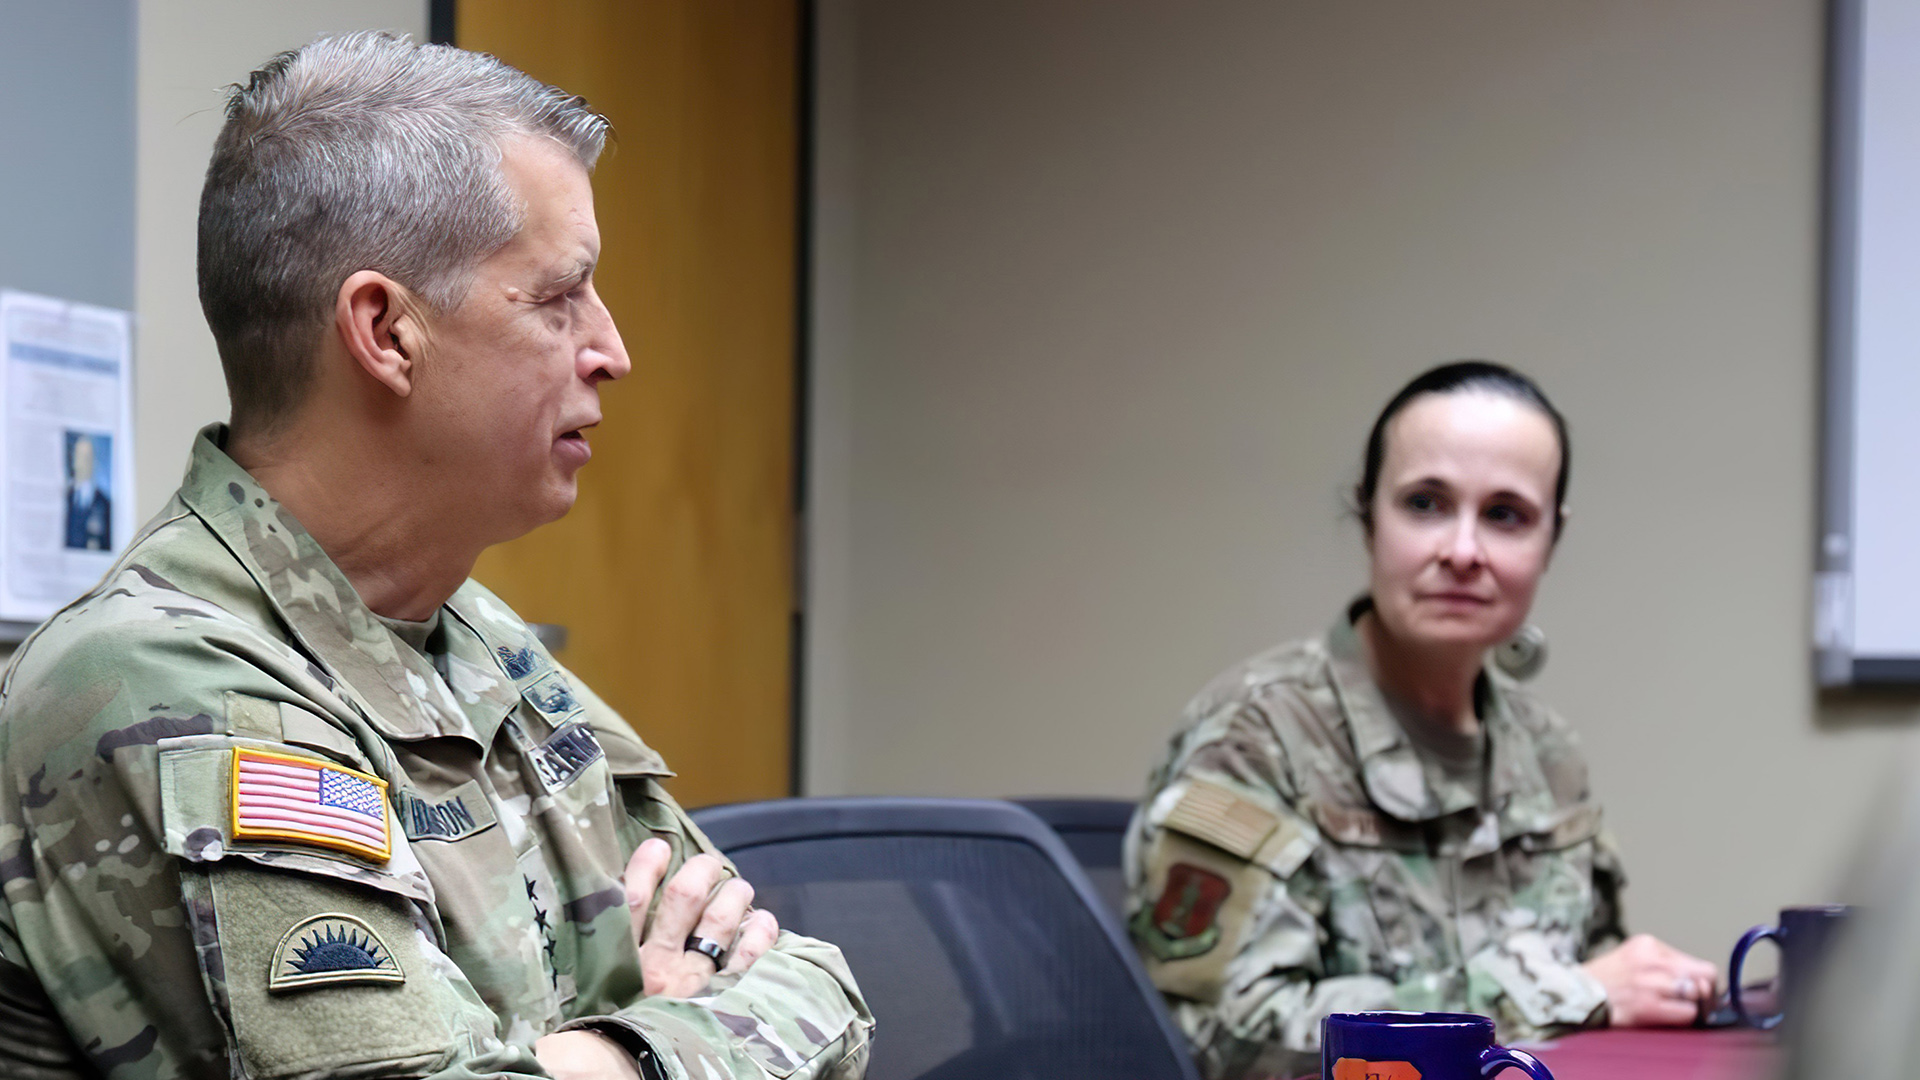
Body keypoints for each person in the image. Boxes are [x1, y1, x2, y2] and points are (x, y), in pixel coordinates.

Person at [0, 33, 870, 1080]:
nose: (613, 350)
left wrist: (592, 1054)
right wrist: (658, 1035)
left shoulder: (472, 637)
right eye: (558, 298)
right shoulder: (158, 680)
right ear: (385, 330)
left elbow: (810, 981)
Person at [1123, 361, 1717, 1080]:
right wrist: (1554, 993)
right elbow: (1227, 1037)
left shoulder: (1548, 749)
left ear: (1550, 542)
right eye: (1426, 503)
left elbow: (1595, 986)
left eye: (1505, 515)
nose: (1462, 552)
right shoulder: (1257, 736)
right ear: (1369, 516)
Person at [63, 432, 111, 550]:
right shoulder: (65, 498)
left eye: (87, 458)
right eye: (79, 457)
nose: (83, 463)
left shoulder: (104, 503)